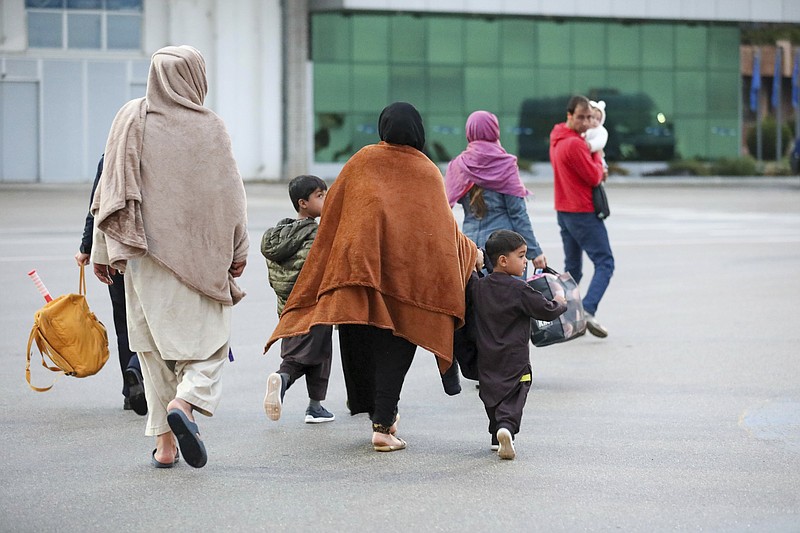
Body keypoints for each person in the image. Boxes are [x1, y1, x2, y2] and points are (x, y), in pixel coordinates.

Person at [266, 102, 480, 453]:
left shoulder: (362, 161)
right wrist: (472, 253)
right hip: (405, 284)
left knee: (362, 345)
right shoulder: (425, 171)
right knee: (397, 348)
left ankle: (380, 415)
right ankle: (383, 424)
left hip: (359, 278)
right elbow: (443, 233)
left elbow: (334, 213)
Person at [90, 45, 249, 469]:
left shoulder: (130, 119)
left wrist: (102, 250)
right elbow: (230, 195)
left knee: (153, 352)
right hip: (199, 257)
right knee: (210, 346)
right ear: (196, 78)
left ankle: (164, 447)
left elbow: (111, 188)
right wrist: (238, 249)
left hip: (142, 258)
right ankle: (187, 401)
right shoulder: (210, 127)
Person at [470, 230, 567, 460]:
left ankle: (496, 435)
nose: (525, 262)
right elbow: (546, 310)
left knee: (491, 393)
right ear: (503, 260)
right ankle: (506, 427)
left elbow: (472, 276)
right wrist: (560, 301)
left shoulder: (479, 287)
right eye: (522, 256)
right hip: (515, 358)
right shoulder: (519, 289)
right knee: (516, 393)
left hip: (486, 356)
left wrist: (475, 264)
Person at [75, 154, 146, 416]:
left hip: (116, 250)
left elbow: (97, 205)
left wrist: (87, 248)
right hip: (149, 252)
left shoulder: (110, 156)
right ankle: (141, 373)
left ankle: (130, 389)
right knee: (153, 320)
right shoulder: (159, 147)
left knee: (124, 323)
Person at [262, 175, 335, 424]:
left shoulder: (281, 235)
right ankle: (282, 379)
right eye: (320, 195)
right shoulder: (316, 235)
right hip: (313, 307)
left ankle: (315, 406)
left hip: (287, 309)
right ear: (303, 203)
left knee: (313, 353)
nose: (326, 199)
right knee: (306, 357)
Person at [445, 110, 547, 272]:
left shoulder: (458, 165)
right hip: (504, 251)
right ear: (494, 130)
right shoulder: (505, 164)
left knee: (475, 296)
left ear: (469, 131)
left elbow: (444, 208)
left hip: (471, 249)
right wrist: (535, 252)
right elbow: (518, 214)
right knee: (509, 296)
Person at [549, 95, 614, 338]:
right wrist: (597, 155)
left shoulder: (557, 137)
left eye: (589, 117)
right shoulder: (576, 144)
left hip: (563, 211)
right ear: (569, 115)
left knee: (573, 268)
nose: (587, 122)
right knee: (605, 262)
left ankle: (564, 318)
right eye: (581, 117)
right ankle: (587, 309)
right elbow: (594, 177)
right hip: (583, 212)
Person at [584, 100, 609, 173]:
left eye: (598, 119)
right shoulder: (584, 128)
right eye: (593, 117)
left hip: (597, 158)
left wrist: (589, 145)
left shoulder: (601, 131)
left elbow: (600, 142)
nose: (595, 121)